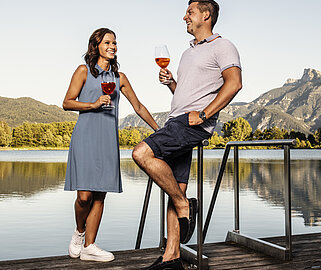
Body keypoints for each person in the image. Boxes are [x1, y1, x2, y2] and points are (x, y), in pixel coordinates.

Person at [132, 0, 242, 269]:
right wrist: (172, 84)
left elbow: (235, 83)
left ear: (206, 15)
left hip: (190, 125)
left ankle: (185, 206)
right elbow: (188, 94)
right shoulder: (187, 52)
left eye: (190, 12)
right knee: (175, 186)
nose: (185, 17)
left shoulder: (222, 46)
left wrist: (204, 114)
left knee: (141, 153)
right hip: (176, 121)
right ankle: (172, 258)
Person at [63, 28, 159, 262]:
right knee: (84, 196)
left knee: (99, 196)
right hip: (85, 137)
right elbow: (67, 103)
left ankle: (90, 246)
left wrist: (161, 131)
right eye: (108, 42)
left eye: (115, 42)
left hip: (107, 140)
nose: (113, 46)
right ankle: (79, 231)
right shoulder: (83, 71)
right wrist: (93, 104)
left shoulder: (119, 78)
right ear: (96, 46)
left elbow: (138, 107)